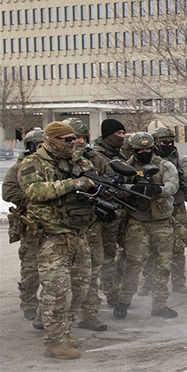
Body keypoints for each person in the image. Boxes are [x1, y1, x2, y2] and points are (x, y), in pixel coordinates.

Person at [18, 121, 97, 359]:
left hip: (78, 233)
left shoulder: (80, 163)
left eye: (75, 139)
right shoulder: (32, 163)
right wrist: (72, 184)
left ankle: (65, 331)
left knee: (79, 288)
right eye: (67, 139)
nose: (74, 143)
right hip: (51, 237)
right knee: (58, 292)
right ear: (51, 140)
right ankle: (54, 342)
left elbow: (91, 184)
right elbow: (34, 191)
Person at [114, 132, 180, 319]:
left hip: (162, 221)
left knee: (163, 265)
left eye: (148, 149)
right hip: (138, 220)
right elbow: (117, 189)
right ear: (134, 150)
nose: (144, 152)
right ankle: (124, 301)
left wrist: (157, 189)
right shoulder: (125, 166)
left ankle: (160, 304)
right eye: (140, 149)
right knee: (133, 263)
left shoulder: (164, 165)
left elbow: (173, 186)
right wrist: (131, 188)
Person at [65, 118, 112, 331]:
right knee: (57, 275)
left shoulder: (93, 160)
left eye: (82, 138)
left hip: (89, 223)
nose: (78, 142)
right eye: (73, 138)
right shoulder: (43, 162)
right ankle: (46, 316)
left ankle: (89, 315)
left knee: (91, 271)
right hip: (58, 227)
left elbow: (109, 183)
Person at [139, 127, 187, 295]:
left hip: (177, 207)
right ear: (156, 142)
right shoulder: (148, 159)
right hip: (155, 207)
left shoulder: (179, 159)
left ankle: (179, 282)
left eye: (171, 141)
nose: (169, 144)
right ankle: (148, 283)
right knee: (151, 247)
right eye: (165, 142)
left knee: (178, 245)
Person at [3, 128, 44, 324]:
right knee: (30, 267)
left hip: (53, 224)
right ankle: (28, 303)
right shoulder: (19, 167)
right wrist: (32, 201)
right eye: (39, 145)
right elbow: (8, 192)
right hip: (31, 224)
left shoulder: (51, 165)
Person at [89, 119, 127, 309]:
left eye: (123, 134)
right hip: (99, 214)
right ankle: (102, 297)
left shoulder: (117, 154)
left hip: (114, 210)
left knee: (112, 255)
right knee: (100, 259)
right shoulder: (97, 156)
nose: (121, 137)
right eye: (118, 134)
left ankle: (112, 292)